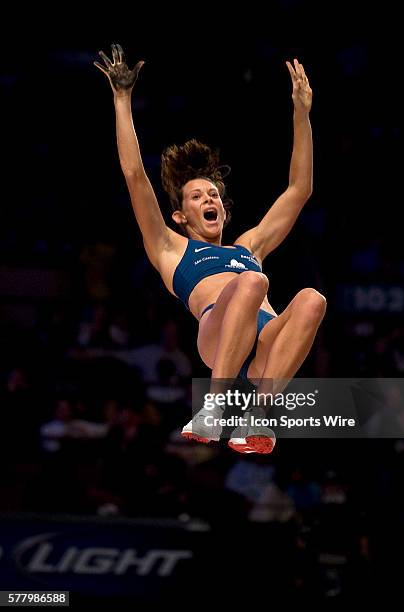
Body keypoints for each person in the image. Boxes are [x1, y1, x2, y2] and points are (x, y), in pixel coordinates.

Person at [94, 44, 326, 454]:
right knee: (252, 281)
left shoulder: (248, 246)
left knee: (311, 299)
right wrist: (122, 99)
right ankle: (214, 405)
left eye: (213, 194)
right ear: (181, 216)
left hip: (263, 341)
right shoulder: (170, 247)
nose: (209, 200)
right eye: (197, 196)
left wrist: (301, 114)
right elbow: (134, 175)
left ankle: (258, 418)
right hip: (216, 335)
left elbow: (298, 190)